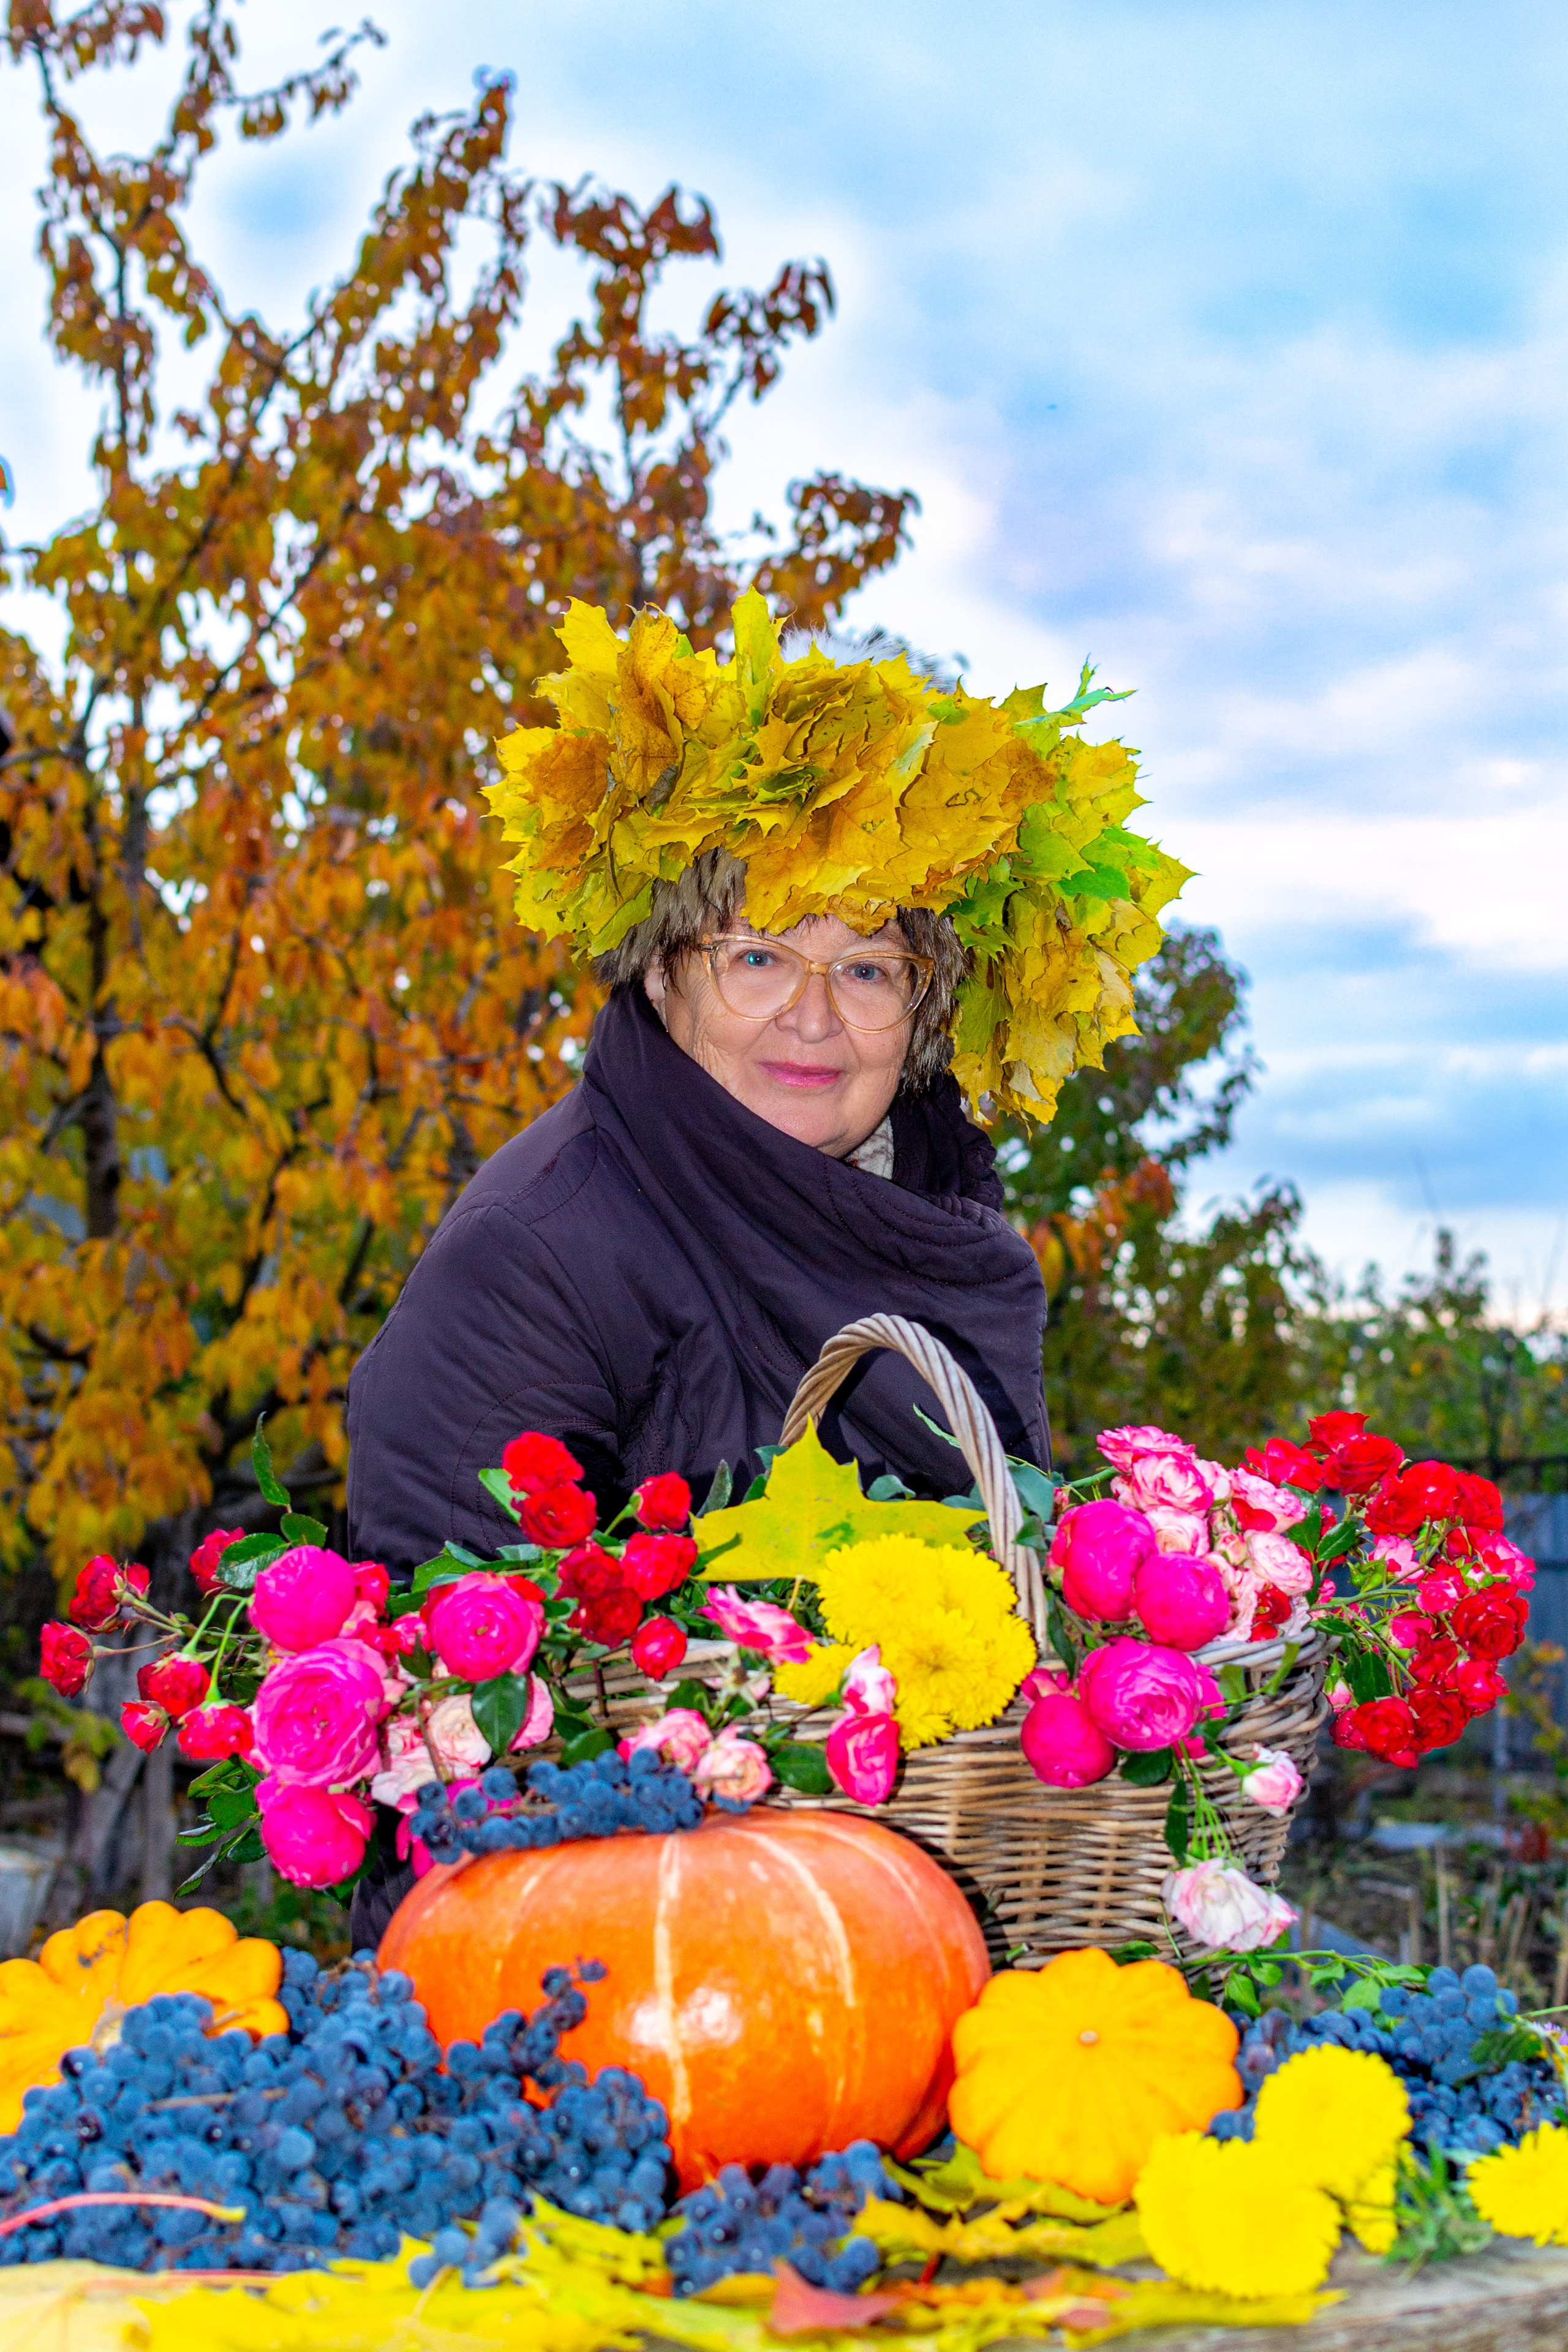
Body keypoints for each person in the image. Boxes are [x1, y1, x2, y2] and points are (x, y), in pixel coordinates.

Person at [343, 590, 1185, 1942]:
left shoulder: (942, 1228)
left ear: (923, 1012)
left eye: (865, 967)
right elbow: (444, 1742)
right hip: (642, 1960)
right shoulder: (542, 1252)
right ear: (658, 973)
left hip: (939, 1926)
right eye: (755, 954)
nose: (811, 1014)